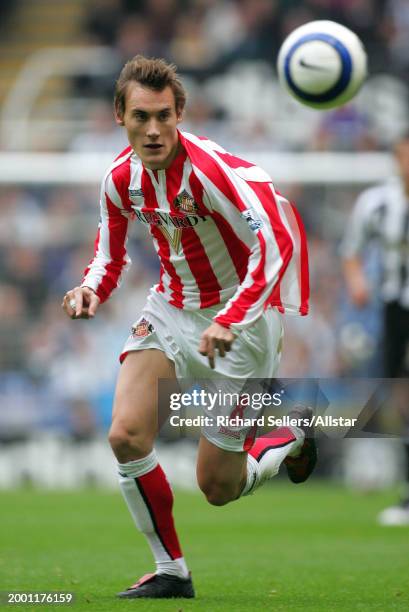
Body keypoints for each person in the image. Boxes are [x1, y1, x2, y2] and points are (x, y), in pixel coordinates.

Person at [62, 55, 316, 599]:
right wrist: (89, 290)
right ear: (119, 116)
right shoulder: (120, 178)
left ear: (180, 114)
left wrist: (232, 317)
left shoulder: (211, 171)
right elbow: (109, 257)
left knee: (217, 488)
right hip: (171, 310)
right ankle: (171, 569)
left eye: (163, 117)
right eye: (140, 117)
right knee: (124, 435)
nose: (152, 130)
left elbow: (277, 242)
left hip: (243, 325)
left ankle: (288, 435)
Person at [342, 132, 409, 526]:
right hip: (394, 306)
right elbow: (351, 251)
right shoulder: (378, 202)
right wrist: (357, 283)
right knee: (398, 389)